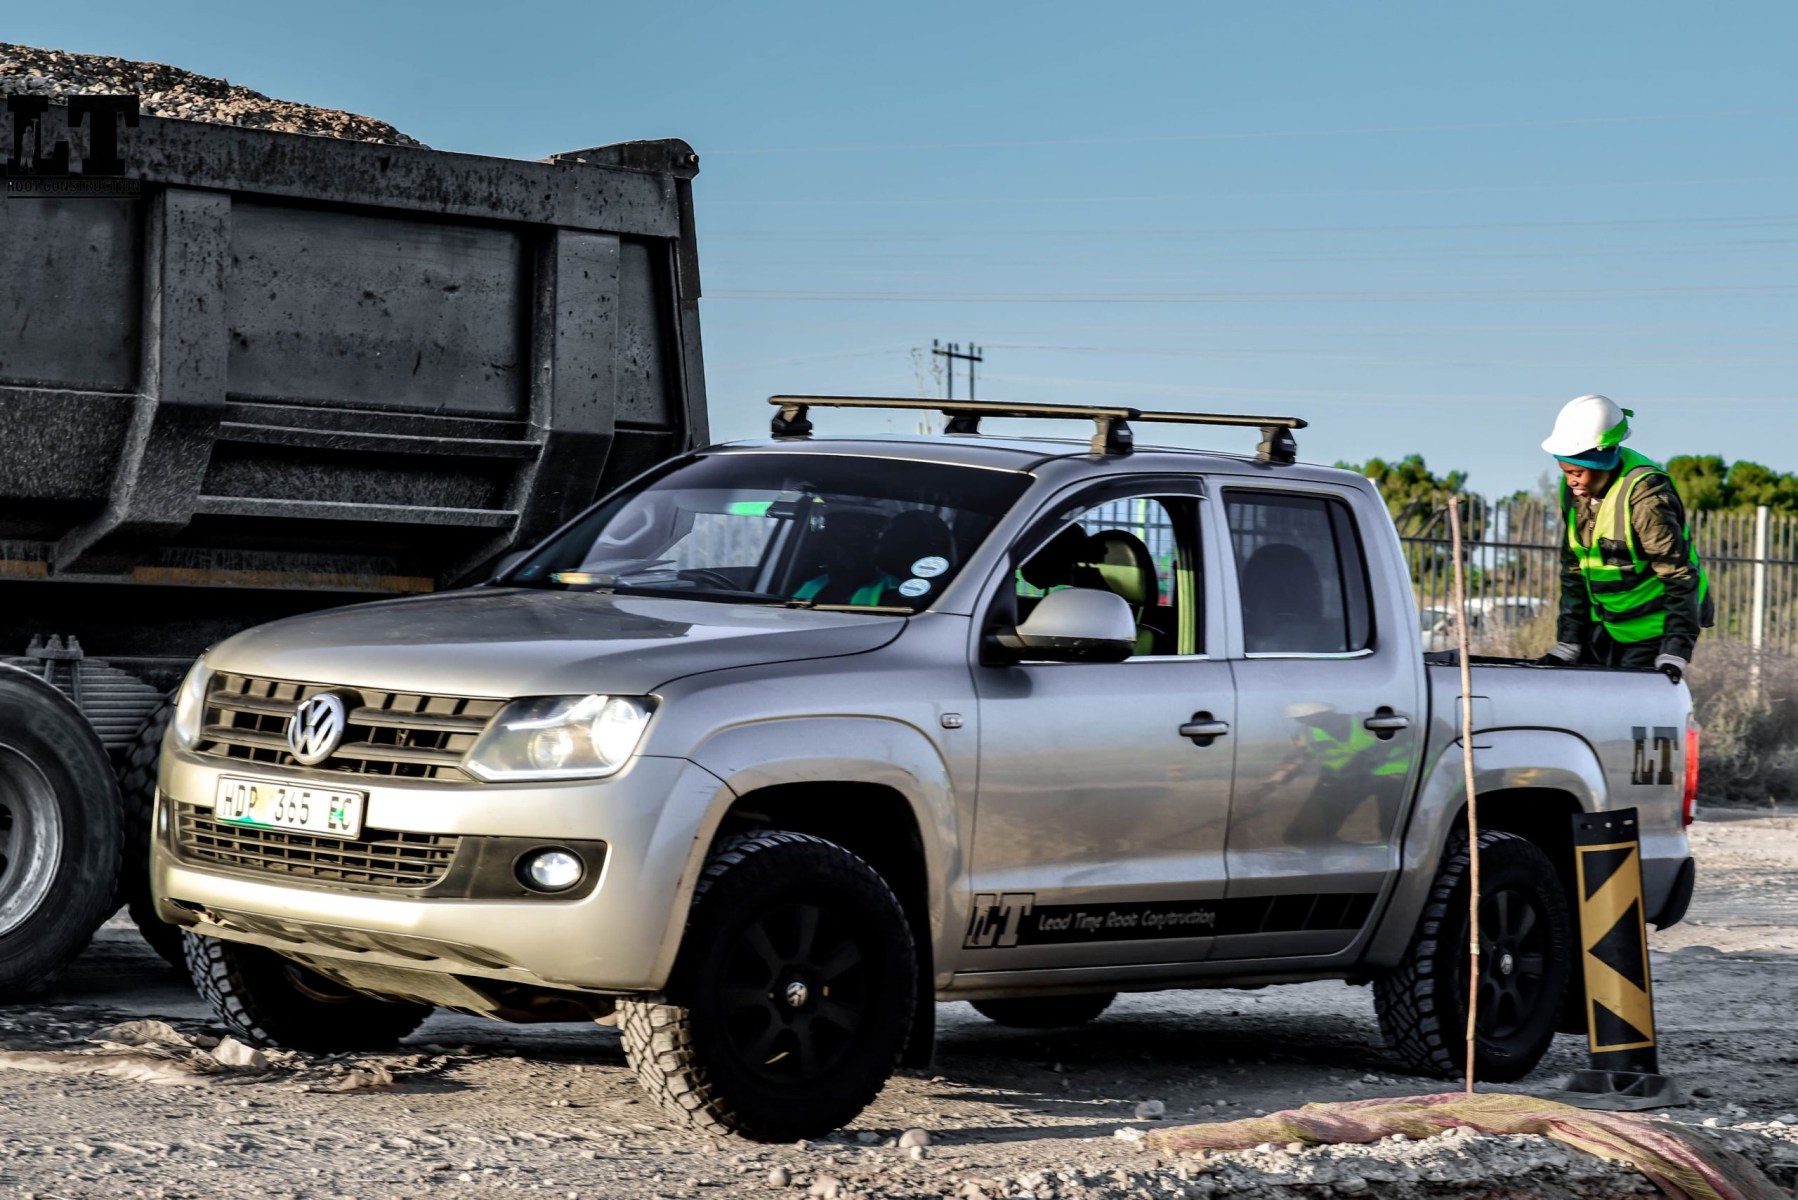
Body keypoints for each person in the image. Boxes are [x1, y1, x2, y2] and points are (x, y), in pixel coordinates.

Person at [1536, 395, 1712, 682]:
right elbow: (1574, 569)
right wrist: (1569, 640)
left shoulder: (1647, 498)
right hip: (1606, 626)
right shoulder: (1575, 491)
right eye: (1565, 471)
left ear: (1602, 460)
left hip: (1653, 633)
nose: (1571, 481)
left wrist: (1675, 650)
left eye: (1577, 472)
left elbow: (1678, 574)